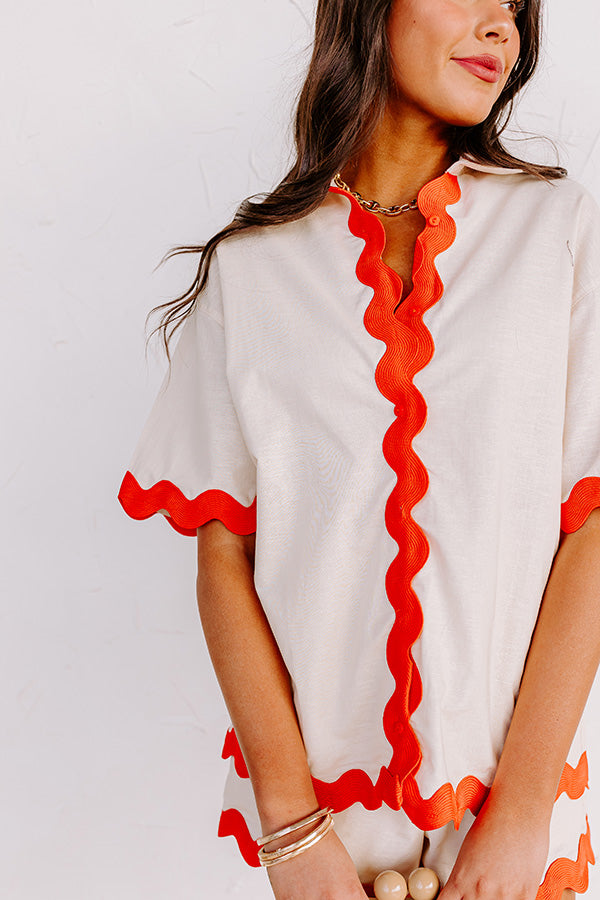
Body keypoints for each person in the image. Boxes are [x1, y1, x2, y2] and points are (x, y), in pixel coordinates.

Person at [118, 0, 600, 897]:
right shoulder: (254, 266)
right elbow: (224, 553)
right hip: (328, 834)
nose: (503, 26)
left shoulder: (562, 230)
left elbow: (594, 528)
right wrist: (292, 830)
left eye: (515, 6)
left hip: (513, 821)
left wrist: (523, 812)